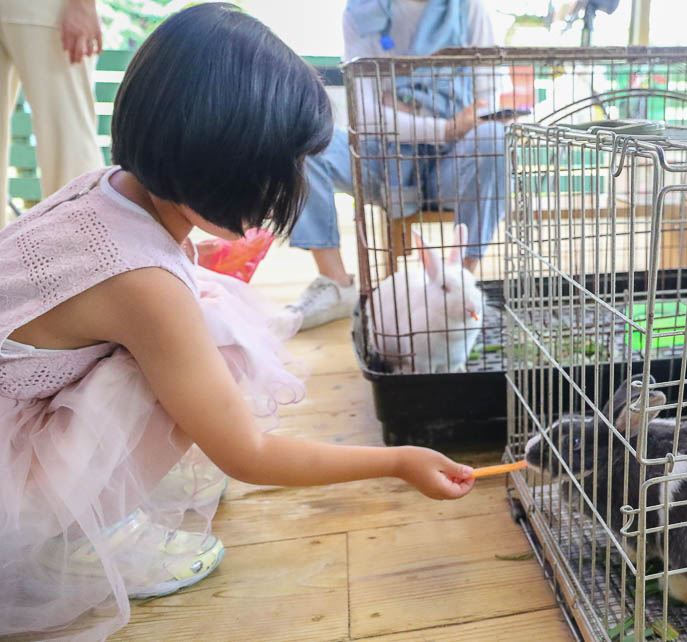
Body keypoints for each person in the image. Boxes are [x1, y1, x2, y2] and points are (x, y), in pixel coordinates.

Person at [0, 5, 475, 640]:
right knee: (217, 347)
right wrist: (395, 463)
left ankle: (90, 504)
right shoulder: (142, 283)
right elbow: (247, 453)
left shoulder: (104, 189)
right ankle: (78, 532)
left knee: (206, 319)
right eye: (279, 170)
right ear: (217, 162)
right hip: (12, 483)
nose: (292, 188)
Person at [287, 0, 509, 330]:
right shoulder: (359, 13)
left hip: (453, 162)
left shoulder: (470, 8)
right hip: (383, 160)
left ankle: (458, 281)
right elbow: (364, 115)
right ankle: (336, 283)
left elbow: (487, 101)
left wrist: (402, 110)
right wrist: (444, 126)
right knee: (301, 138)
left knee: (494, 136)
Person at [0, 0, 105, 227]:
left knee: (68, 142)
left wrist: (82, 5)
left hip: (45, 10)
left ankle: (84, 248)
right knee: (68, 140)